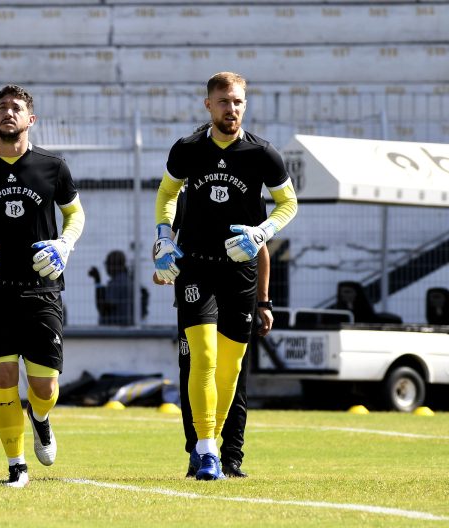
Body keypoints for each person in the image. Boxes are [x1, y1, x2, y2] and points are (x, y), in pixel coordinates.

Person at [152, 72, 297, 480]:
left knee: (231, 368)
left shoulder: (263, 154)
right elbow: (166, 194)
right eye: (222, 102)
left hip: (241, 270)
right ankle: (206, 451)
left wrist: (262, 232)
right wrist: (164, 235)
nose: (230, 109)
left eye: (237, 102)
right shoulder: (187, 149)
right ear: (208, 105)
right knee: (204, 358)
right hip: (196, 265)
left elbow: (288, 203)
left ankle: (215, 446)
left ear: (244, 105)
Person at [0, 84, 85, 487]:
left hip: (42, 288)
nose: (9, 112)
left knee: (45, 386)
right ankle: (15, 465)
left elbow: (75, 215)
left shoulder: (53, 167)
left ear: (30, 119)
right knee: (3, 379)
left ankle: (40, 417)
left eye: (17, 108)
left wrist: (65, 244)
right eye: (2, 107)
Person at [157, 181, 274, 478]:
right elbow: (166, 241)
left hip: (238, 288)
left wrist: (263, 301)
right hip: (196, 291)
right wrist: (161, 267)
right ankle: (197, 450)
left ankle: (232, 456)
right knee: (195, 369)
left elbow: (261, 249)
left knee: (232, 374)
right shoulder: (186, 196)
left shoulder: (249, 193)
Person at [88, 250, 148, 326]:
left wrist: (97, 282)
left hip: (115, 329)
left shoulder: (117, 284)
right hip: (124, 326)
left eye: (107, 264)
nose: (106, 267)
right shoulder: (127, 280)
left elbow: (103, 309)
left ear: (113, 265)